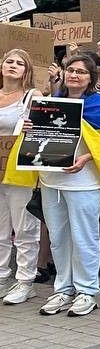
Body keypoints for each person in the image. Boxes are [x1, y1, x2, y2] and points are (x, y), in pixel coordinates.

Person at [7, 54, 100, 317]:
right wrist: (28, 127)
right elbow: (39, 138)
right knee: (58, 238)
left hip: (85, 182)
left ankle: (86, 291)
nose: (74, 75)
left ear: (91, 77)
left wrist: (87, 158)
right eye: (70, 70)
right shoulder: (52, 101)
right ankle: (63, 288)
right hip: (52, 180)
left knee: (84, 237)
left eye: (81, 72)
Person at [0, 49, 41, 305]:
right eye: (9, 61)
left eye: (19, 63)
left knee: (24, 228)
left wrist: (31, 126)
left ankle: (26, 281)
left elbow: (47, 128)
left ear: (27, 70)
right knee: (0, 229)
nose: (13, 66)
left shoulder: (32, 96)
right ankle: (2, 277)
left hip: (19, 171)